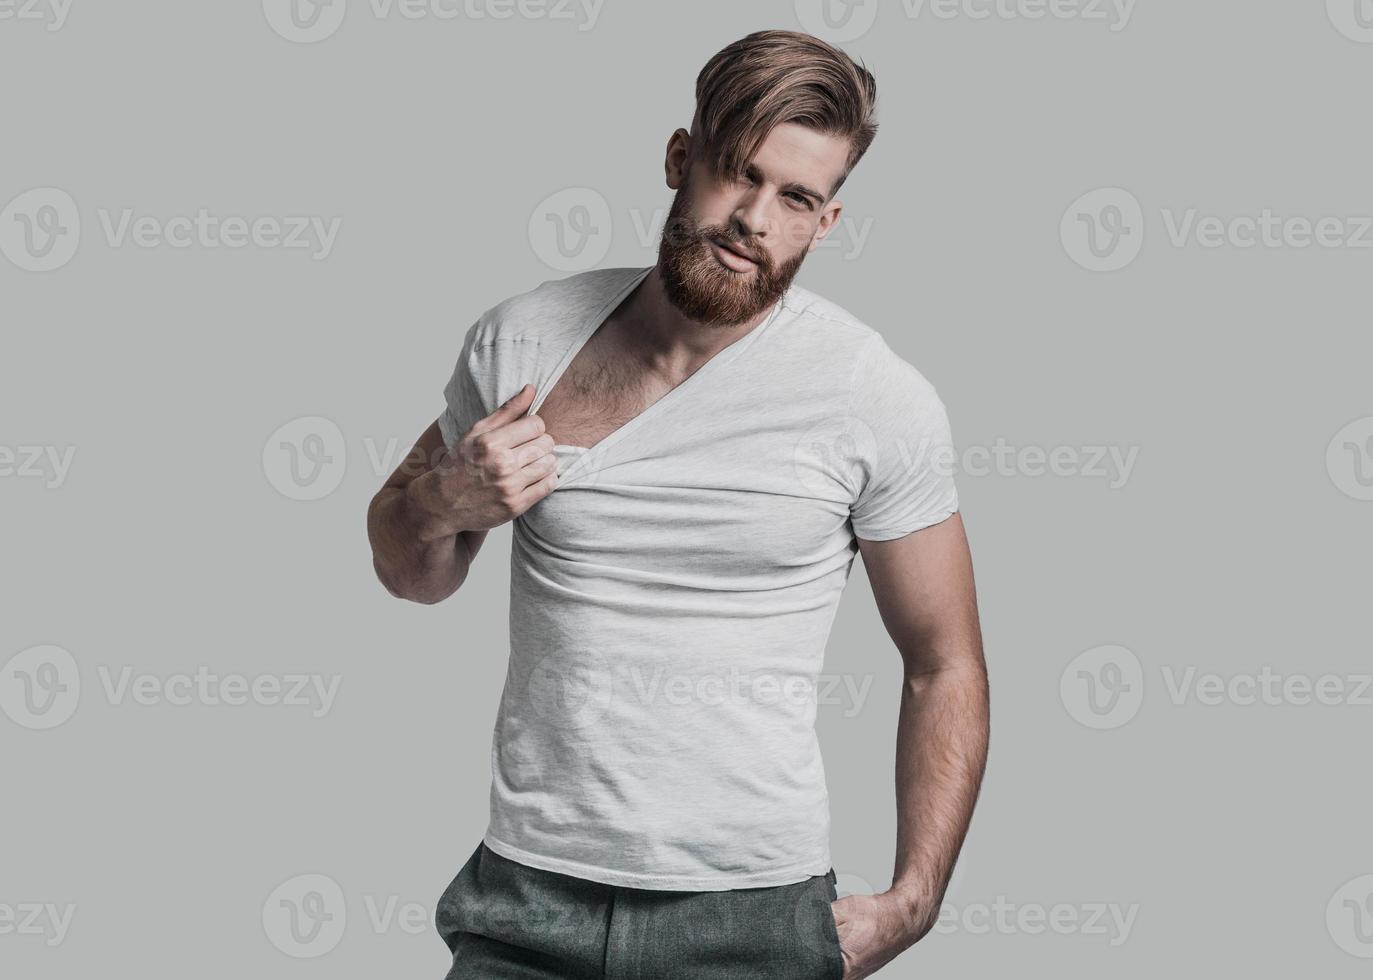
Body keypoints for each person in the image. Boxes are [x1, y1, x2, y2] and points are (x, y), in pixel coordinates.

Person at [367, 29, 989, 979]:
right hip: (528, 899)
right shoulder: (523, 339)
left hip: (752, 912)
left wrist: (914, 901)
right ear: (678, 159)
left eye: (795, 198)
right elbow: (408, 573)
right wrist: (443, 498)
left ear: (825, 224)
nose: (754, 218)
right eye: (737, 173)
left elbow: (942, 662)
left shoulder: (874, 396)